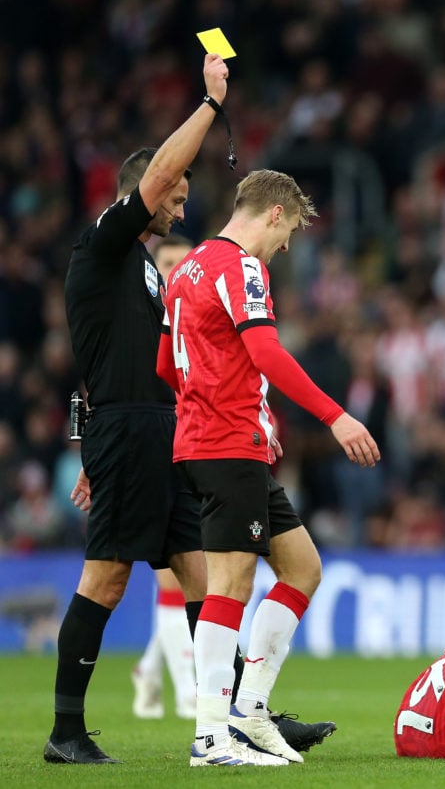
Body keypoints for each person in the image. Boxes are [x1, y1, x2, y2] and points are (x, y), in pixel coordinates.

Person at [156, 168, 381, 767]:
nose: (287, 247)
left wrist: (225, 400)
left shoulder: (188, 268)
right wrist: (336, 417)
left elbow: (164, 364)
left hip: (215, 440)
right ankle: (210, 736)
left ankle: (251, 708)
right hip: (225, 444)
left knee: (303, 568)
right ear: (275, 213)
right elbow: (265, 352)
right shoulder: (242, 268)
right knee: (230, 584)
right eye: (290, 234)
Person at [47, 54, 229, 766]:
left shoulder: (146, 267)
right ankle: (66, 732)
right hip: (128, 431)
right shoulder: (102, 247)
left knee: (205, 578)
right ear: (143, 194)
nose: (181, 207)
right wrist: (210, 107)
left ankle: (228, 720)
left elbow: (98, 364)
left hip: (161, 432)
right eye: (176, 197)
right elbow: (92, 374)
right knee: (108, 578)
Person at [131, 236, 198, 721]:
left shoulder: (203, 319)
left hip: (201, 451)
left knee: (194, 579)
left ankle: (149, 669)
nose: (175, 271)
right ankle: (190, 695)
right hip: (154, 451)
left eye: (183, 263)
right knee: (172, 578)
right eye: (166, 263)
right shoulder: (139, 321)